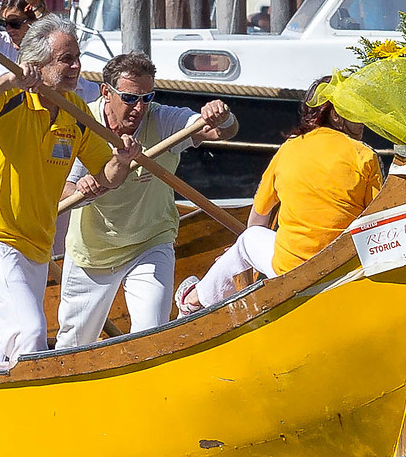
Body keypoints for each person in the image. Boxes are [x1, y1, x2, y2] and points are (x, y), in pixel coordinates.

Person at [0, 16, 107, 367]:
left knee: (9, 335)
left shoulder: (75, 111)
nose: (76, 66)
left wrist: (124, 159)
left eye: (77, 57)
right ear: (38, 65)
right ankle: (23, 405)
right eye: (67, 59)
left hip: (36, 240)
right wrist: (7, 78)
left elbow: (107, 173)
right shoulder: (8, 97)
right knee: (31, 331)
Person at [53, 54, 235, 349]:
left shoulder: (161, 118)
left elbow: (219, 131)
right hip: (92, 251)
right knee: (73, 345)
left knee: (152, 335)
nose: (139, 108)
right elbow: (62, 188)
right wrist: (79, 189)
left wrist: (222, 117)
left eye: (146, 97)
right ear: (106, 92)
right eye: (129, 98)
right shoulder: (83, 121)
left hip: (150, 242)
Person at [177, 83, 387, 314]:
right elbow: (376, 220)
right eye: (356, 112)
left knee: (249, 239)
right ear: (336, 116)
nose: (363, 120)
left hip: (292, 266)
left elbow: (257, 220)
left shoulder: (289, 148)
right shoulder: (366, 155)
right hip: (343, 267)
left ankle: (194, 300)